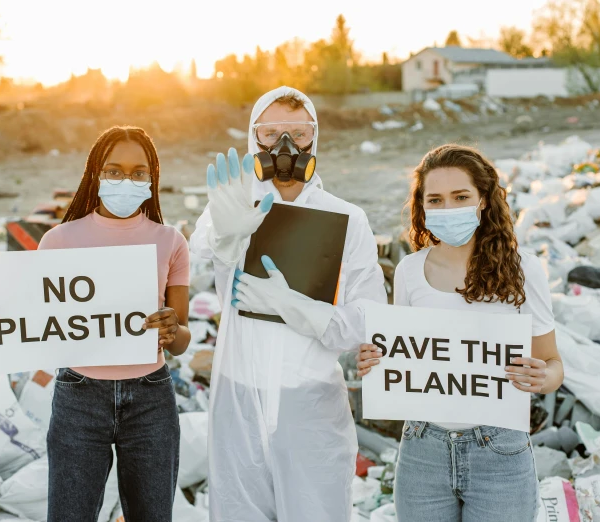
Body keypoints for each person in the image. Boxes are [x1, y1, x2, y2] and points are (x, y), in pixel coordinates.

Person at [0, 126, 190, 522]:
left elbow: (182, 341)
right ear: (95, 174)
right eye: (115, 170)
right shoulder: (59, 239)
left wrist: (172, 327)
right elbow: (34, 313)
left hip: (151, 399)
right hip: (79, 398)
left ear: (153, 177)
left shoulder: (171, 241)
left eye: (139, 172)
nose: (127, 180)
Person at [190, 86, 387, 522]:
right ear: (252, 138)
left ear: (315, 138)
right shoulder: (232, 206)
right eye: (271, 132)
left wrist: (300, 308)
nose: (284, 146)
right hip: (238, 399)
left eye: (298, 134)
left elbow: (369, 317)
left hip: (310, 401)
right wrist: (228, 231)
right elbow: (193, 254)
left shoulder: (346, 218)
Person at [356, 144, 563, 521]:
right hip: (422, 449)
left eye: (461, 196)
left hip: (499, 449)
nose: (448, 208)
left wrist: (541, 376)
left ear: (483, 200)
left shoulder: (523, 271)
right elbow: (406, 355)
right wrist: (376, 361)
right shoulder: (408, 271)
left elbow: (553, 367)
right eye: (435, 199)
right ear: (422, 206)